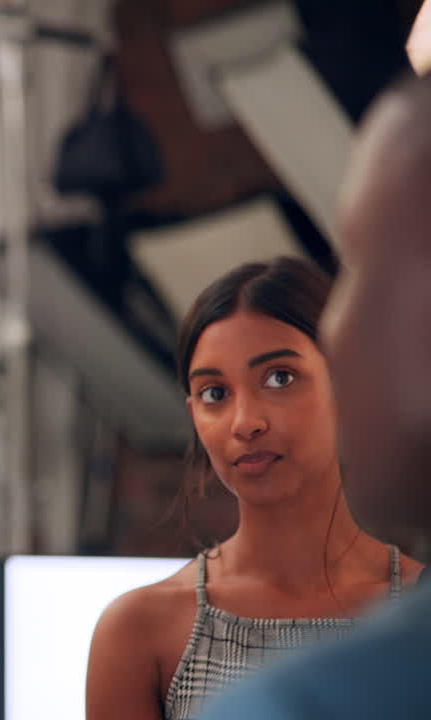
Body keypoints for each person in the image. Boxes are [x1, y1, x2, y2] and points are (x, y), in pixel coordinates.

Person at [84, 256, 423, 720]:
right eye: (215, 394)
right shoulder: (139, 630)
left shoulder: (418, 617)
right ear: (193, 414)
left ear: (347, 386)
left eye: (279, 378)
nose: (245, 423)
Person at [200, 74, 431, 720]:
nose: (336, 329)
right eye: (213, 392)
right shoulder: (141, 621)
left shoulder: (296, 705)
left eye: (361, 265)